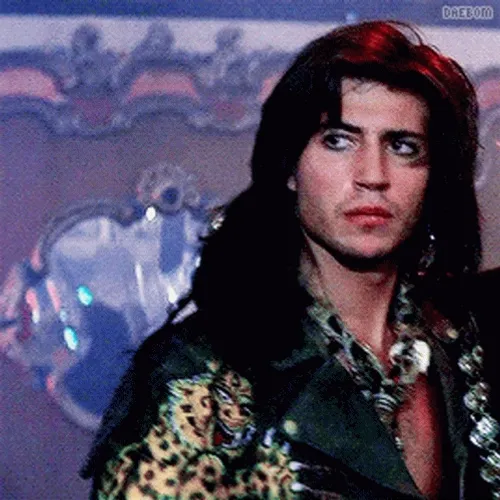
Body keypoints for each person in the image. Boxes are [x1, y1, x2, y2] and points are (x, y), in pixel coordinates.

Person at [81, 20, 498, 499]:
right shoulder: (199, 372)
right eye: (338, 140)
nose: (372, 175)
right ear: (290, 167)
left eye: (402, 147)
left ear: (432, 177)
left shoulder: (466, 346)